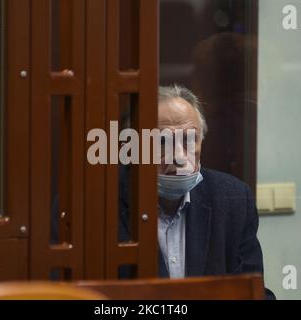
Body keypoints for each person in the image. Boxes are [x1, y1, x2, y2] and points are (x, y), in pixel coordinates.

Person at [118, 85, 275, 300]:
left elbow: (252, 293)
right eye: (163, 142)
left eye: (189, 140)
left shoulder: (233, 200)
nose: (180, 157)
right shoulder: (98, 206)